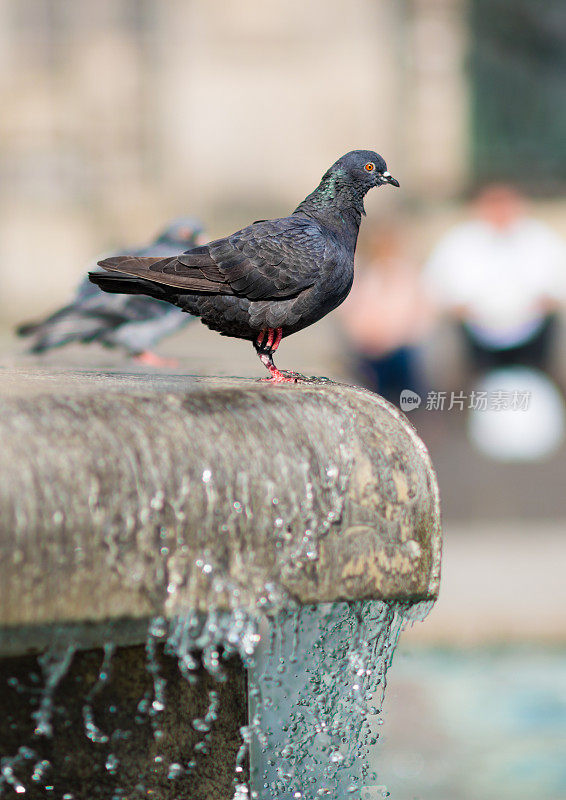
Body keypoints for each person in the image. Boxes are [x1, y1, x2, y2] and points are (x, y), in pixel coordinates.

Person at [423, 185, 566, 374]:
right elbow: (434, 283)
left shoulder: (540, 237)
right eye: (493, 203)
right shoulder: (459, 240)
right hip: (475, 333)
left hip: (534, 331)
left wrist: (548, 301)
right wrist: (456, 307)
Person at [340, 222, 431, 404]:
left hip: (402, 350)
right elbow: (349, 312)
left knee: (409, 402)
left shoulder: (407, 274)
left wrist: (400, 335)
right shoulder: (361, 273)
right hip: (369, 351)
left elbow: (422, 311)